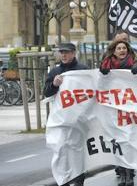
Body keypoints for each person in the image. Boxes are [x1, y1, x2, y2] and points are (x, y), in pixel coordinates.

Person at [100, 40, 137, 186]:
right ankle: (122, 170)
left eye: (124, 48)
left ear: (128, 50)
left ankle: (129, 173)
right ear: (114, 51)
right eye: (118, 48)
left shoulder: (135, 62)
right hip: (113, 110)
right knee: (117, 141)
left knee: (128, 141)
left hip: (130, 109)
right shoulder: (106, 64)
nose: (121, 50)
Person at [44, 43, 88, 186]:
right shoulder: (55, 71)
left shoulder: (83, 70)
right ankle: (64, 180)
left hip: (79, 119)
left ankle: (79, 180)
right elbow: (46, 92)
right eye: (61, 52)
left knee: (77, 150)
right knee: (61, 149)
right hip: (62, 120)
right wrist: (54, 85)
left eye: (67, 52)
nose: (63, 55)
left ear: (74, 53)